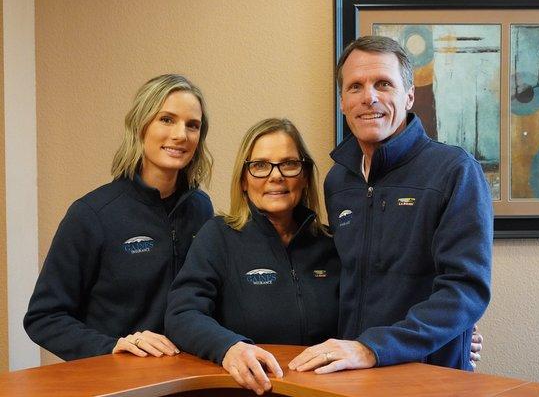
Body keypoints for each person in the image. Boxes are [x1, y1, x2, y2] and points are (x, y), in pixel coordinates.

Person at [288, 35, 492, 374]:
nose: (369, 97)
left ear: (409, 95)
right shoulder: (338, 181)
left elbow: (465, 289)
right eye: (355, 87)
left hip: (431, 375)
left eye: (383, 84)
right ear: (342, 102)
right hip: (354, 373)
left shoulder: (454, 171)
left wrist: (375, 348)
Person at [24, 74, 214, 361]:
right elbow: (44, 317)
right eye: (166, 119)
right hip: (118, 381)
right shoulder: (92, 214)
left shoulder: (201, 208)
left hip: (189, 378)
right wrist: (113, 347)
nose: (180, 135)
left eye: (192, 125)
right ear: (140, 125)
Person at [165, 118, 340, 395]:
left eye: (289, 163)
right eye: (259, 166)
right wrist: (229, 347)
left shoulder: (331, 243)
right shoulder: (219, 236)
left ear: (305, 176)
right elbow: (182, 314)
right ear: (244, 180)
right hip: (247, 389)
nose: (276, 176)